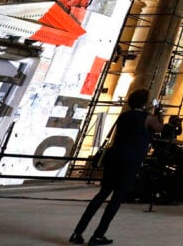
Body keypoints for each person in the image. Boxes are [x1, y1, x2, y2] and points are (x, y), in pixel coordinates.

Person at [70, 89, 163, 245]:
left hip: (115, 156)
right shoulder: (147, 118)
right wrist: (160, 111)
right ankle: (98, 235)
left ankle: (77, 232)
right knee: (116, 198)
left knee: (101, 194)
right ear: (145, 103)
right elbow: (159, 127)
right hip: (130, 159)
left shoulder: (124, 116)